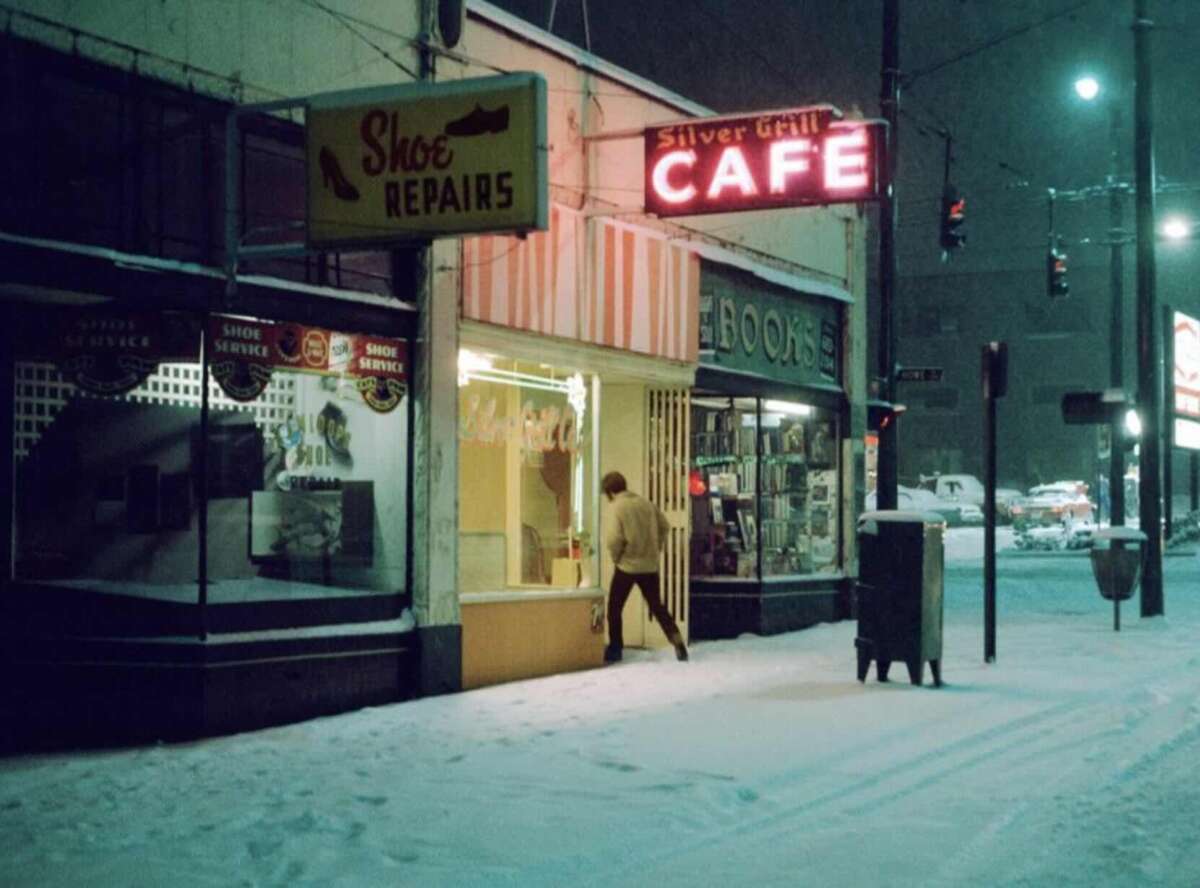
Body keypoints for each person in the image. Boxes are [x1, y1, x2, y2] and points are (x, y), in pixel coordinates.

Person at [601, 471, 688, 663]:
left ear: (609, 491)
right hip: (649, 566)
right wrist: (655, 548)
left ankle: (616, 649)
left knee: (615, 607)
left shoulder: (617, 507)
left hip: (627, 566)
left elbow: (614, 539)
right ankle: (678, 642)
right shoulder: (646, 503)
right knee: (657, 606)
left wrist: (617, 557)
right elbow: (665, 526)